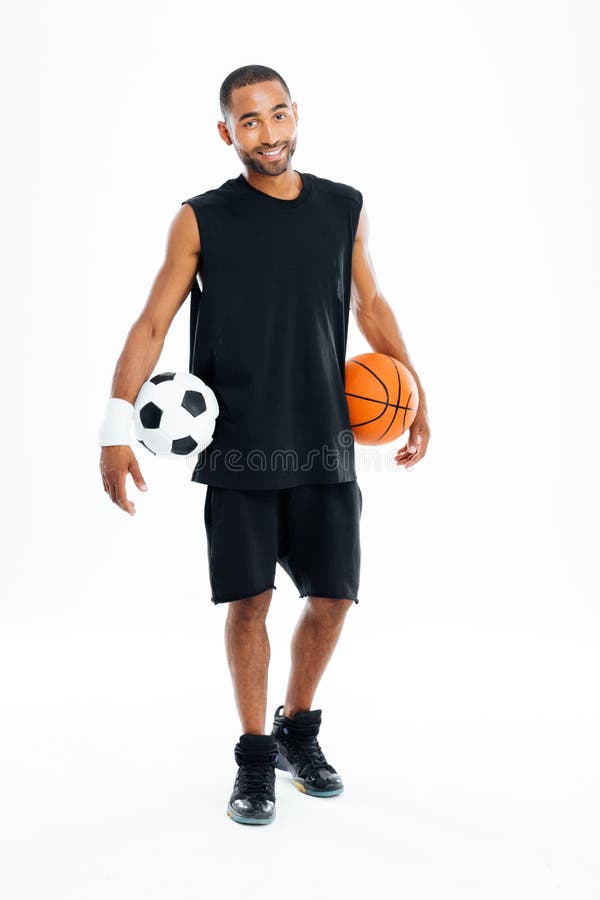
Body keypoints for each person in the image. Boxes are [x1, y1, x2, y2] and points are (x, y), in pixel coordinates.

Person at [99, 64, 431, 826]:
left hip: (323, 439)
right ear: (227, 133)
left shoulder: (343, 207)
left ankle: (297, 731)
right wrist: (115, 426)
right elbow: (152, 323)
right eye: (249, 121)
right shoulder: (200, 218)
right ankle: (254, 758)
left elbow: (371, 302)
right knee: (248, 603)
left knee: (334, 598)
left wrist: (416, 392)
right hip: (242, 445)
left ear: (295, 116)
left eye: (278, 115)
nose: (269, 133)